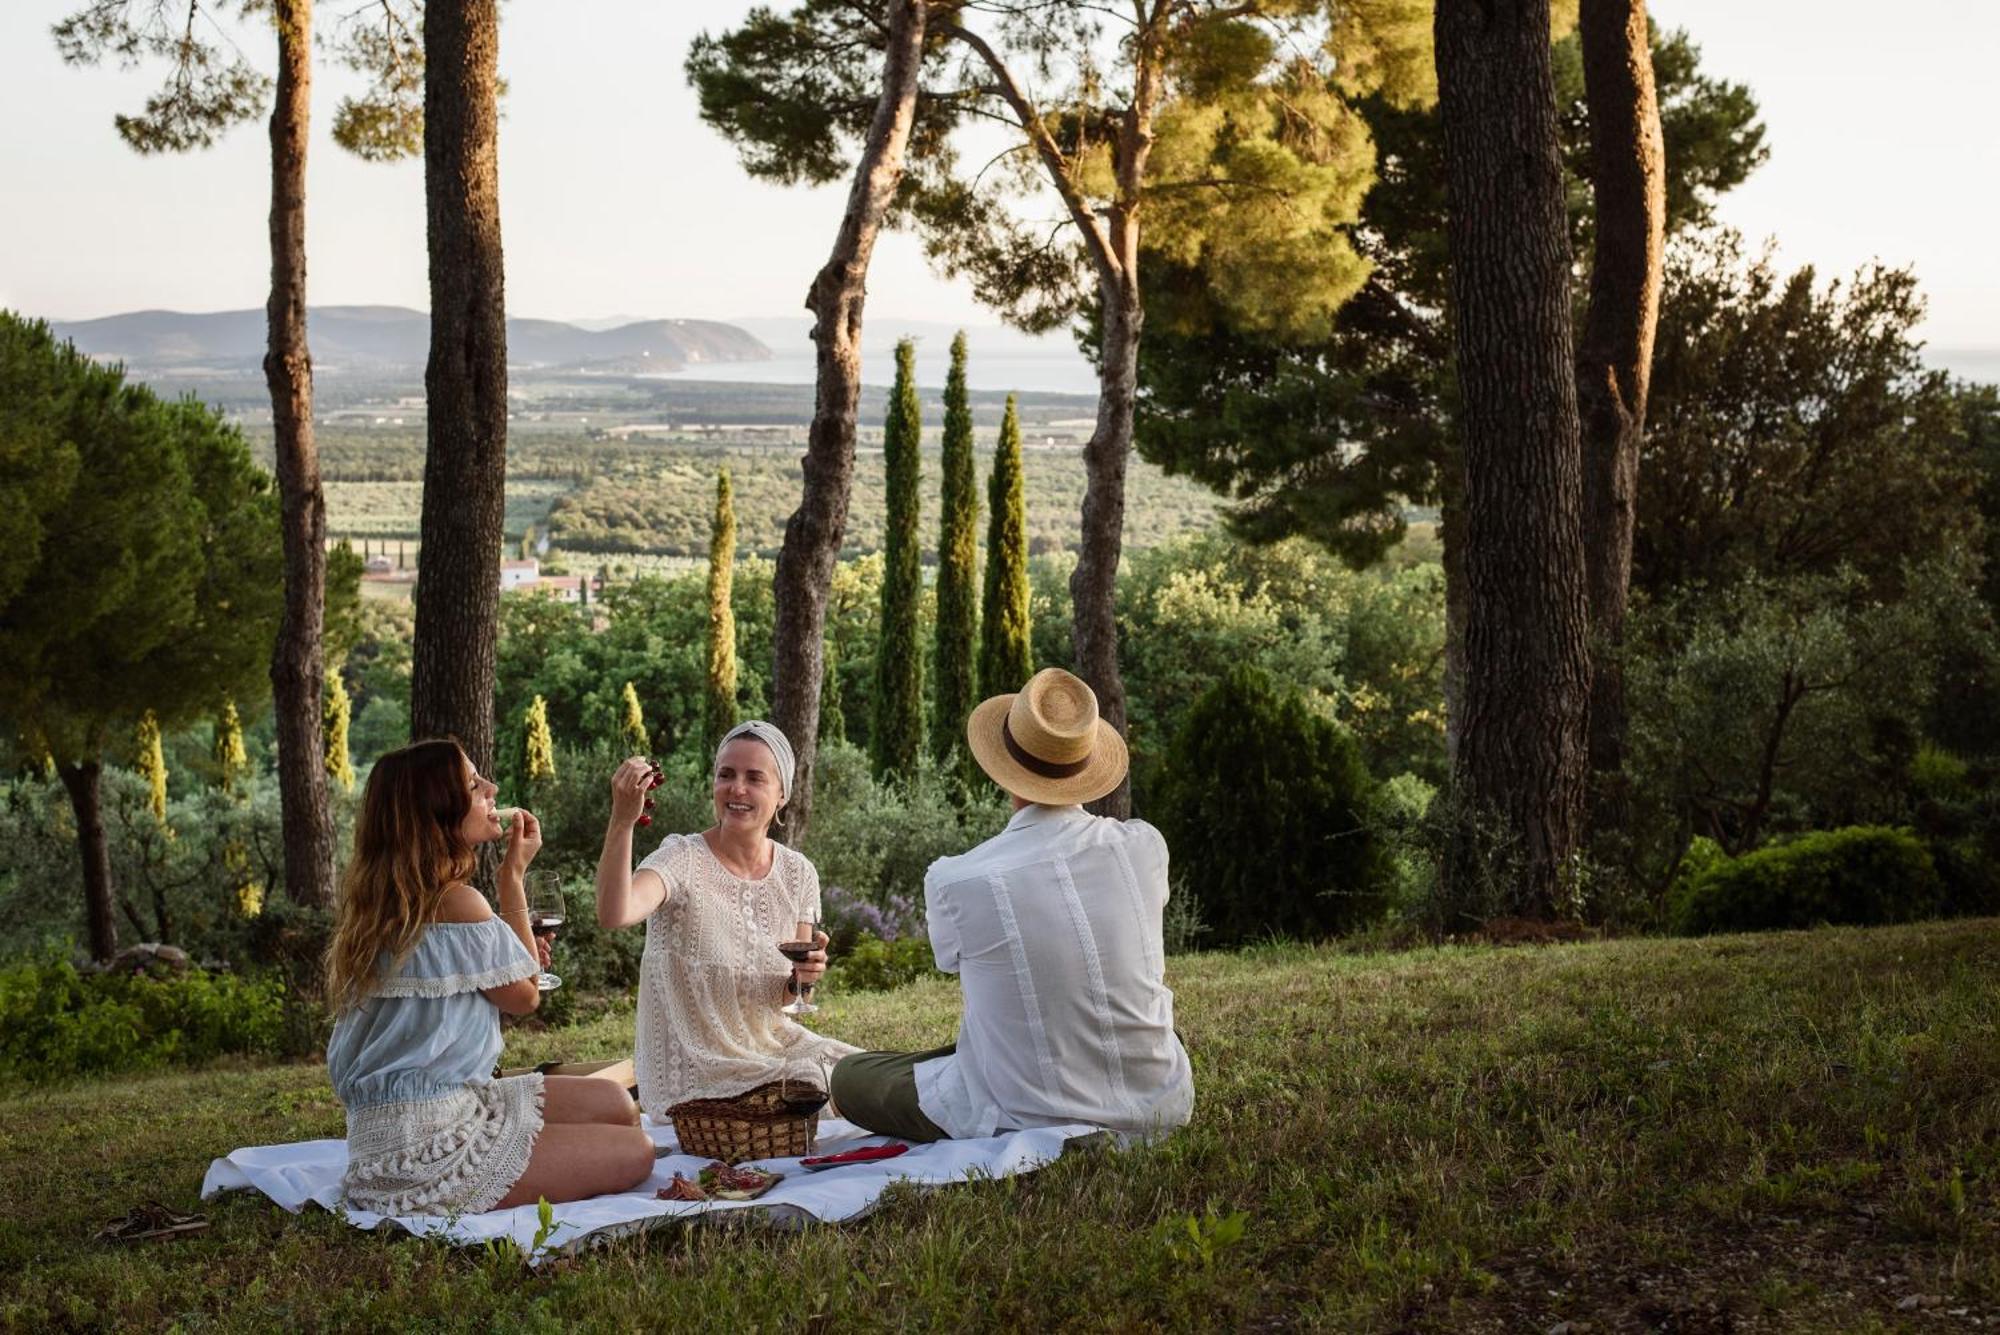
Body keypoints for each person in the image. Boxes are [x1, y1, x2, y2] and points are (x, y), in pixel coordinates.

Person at [832, 668, 1195, 1142]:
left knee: (849, 1077)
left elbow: (948, 962)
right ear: (1084, 766)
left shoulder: (956, 878)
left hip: (1026, 1112)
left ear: (1004, 767)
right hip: (1159, 1101)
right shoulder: (1144, 846)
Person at [325, 739, 655, 1216]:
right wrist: (513, 877)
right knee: (636, 1151)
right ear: (437, 811)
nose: (492, 789)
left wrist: (514, 952)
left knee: (616, 1103)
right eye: (474, 785)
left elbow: (510, 977)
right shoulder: (458, 903)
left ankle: (534, 1145)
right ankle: (477, 1169)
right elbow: (524, 997)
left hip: (436, 1108)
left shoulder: (385, 904)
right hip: (425, 1146)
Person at [594, 720, 857, 1122]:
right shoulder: (680, 859)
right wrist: (623, 819)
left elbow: (786, 996)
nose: (737, 789)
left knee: (867, 1072)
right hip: (696, 1071)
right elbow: (615, 912)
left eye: (755, 778)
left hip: (773, 1046)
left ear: (782, 794)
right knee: (814, 1086)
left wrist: (802, 978)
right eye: (726, 775)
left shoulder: (798, 873)